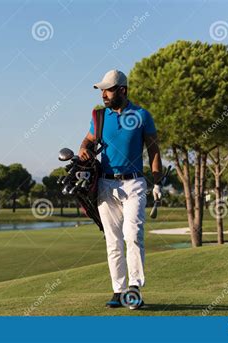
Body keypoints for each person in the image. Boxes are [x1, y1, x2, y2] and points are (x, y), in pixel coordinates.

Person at [78, 69, 163, 310]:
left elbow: (154, 150)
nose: (103, 94)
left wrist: (157, 182)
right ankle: (119, 290)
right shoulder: (99, 117)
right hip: (105, 184)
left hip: (134, 183)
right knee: (113, 241)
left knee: (133, 235)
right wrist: (84, 148)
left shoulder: (142, 115)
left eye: (108, 89)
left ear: (122, 90)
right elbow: (87, 141)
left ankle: (134, 288)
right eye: (102, 90)